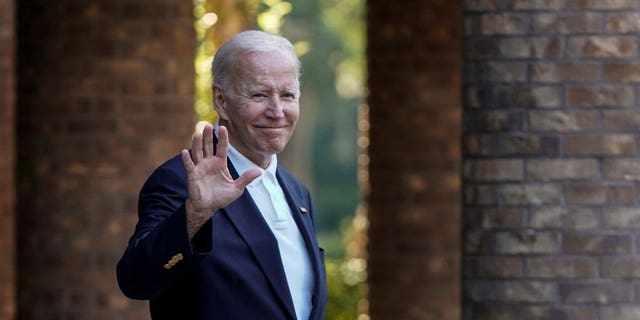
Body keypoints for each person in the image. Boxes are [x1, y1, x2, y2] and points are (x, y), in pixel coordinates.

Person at [117, 30, 327, 320]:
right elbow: (136, 280)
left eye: (288, 95)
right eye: (259, 94)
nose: (277, 111)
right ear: (221, 101)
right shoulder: (179, 181)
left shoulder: (296, 191)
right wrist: (194, 216)